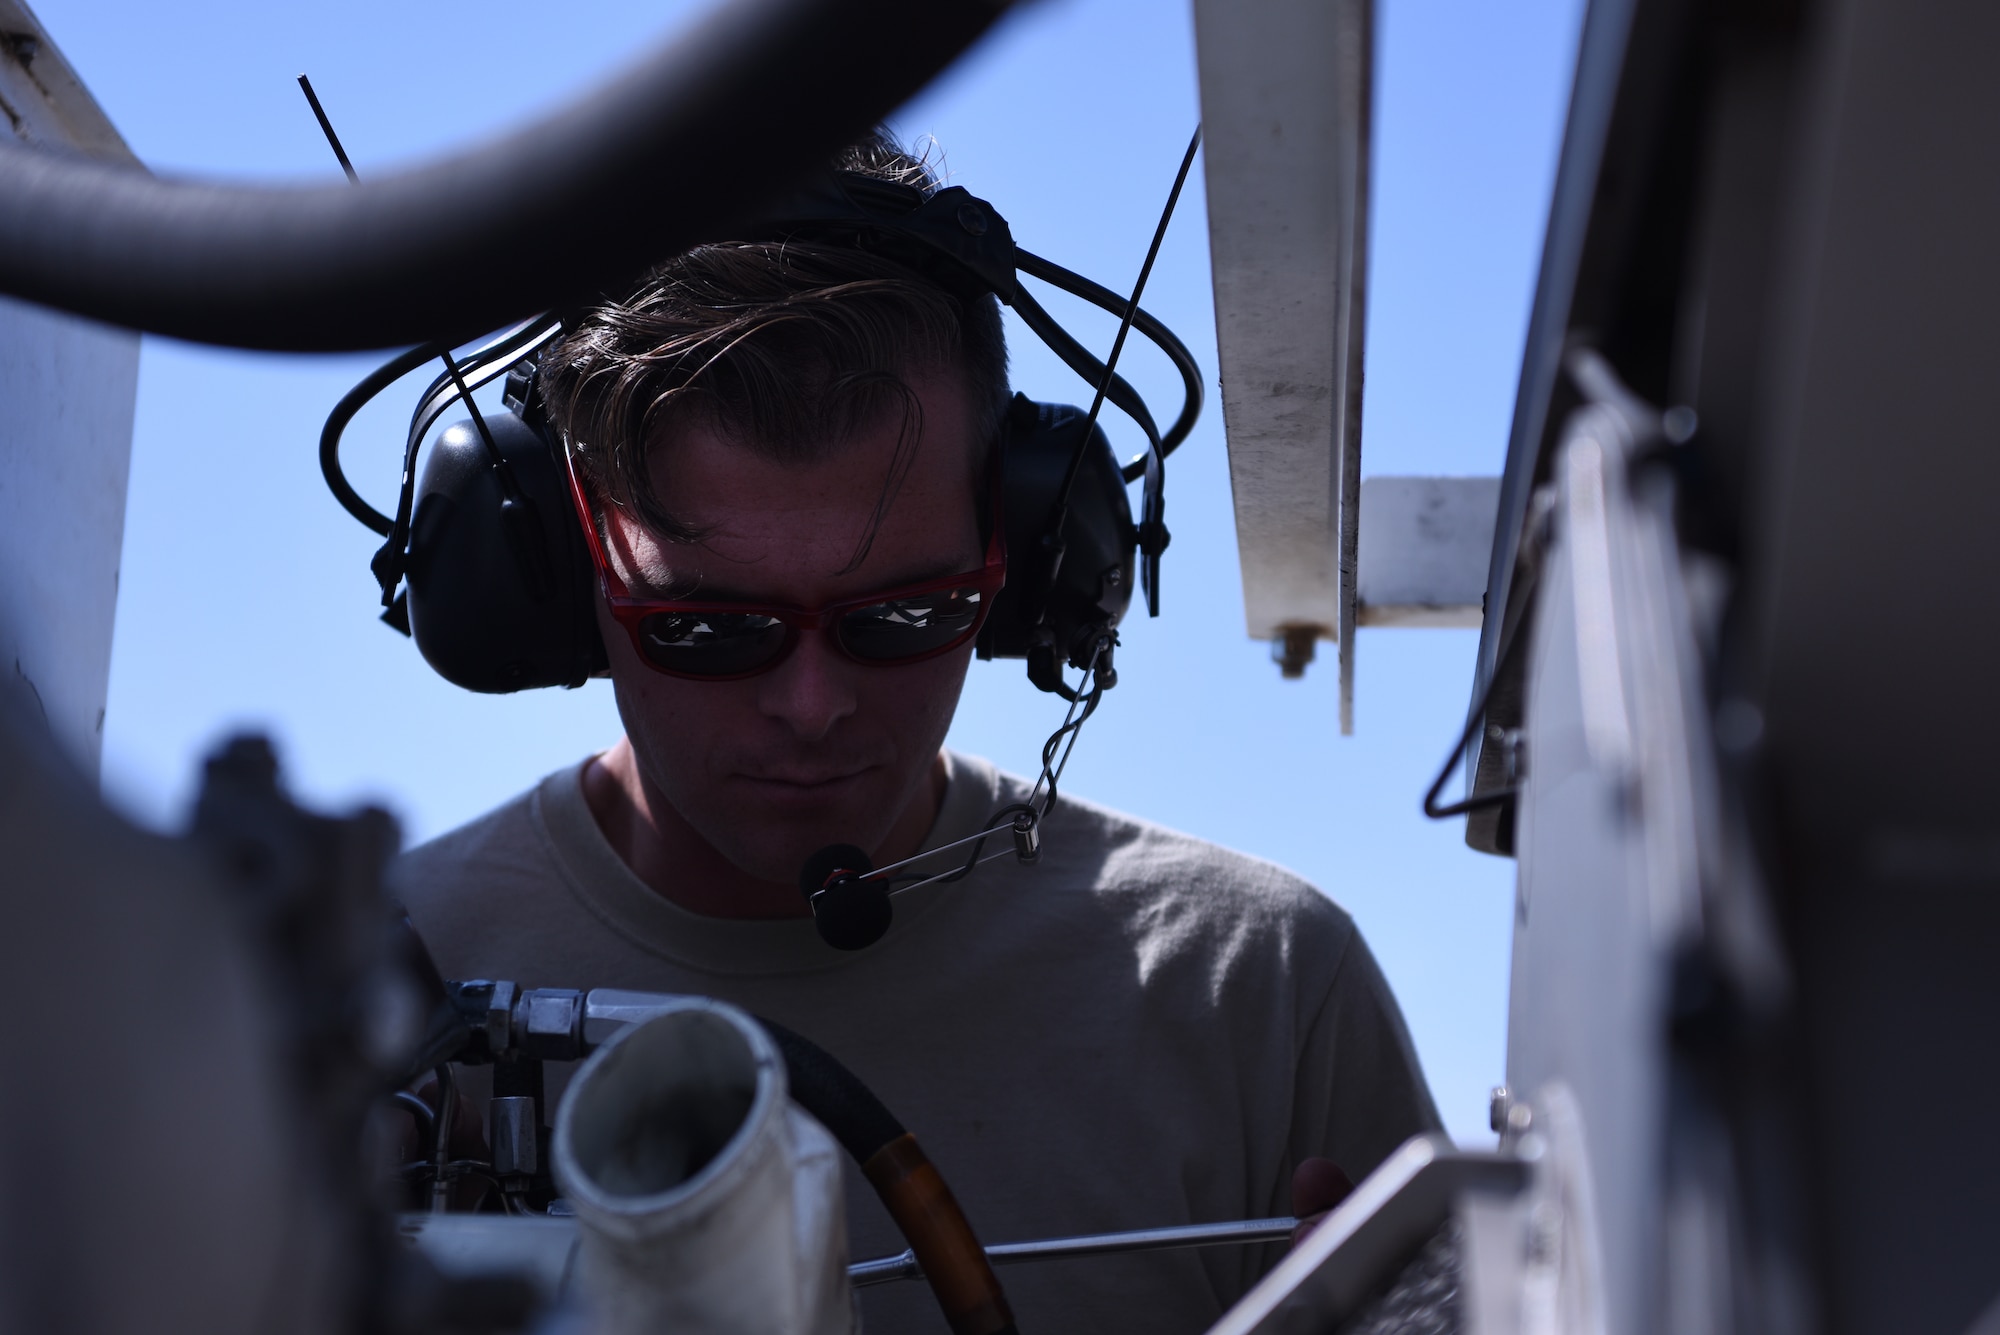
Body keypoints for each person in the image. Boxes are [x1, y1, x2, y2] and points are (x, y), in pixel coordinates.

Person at [394, 133, 1441, 1334]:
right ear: (550, 576)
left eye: (901, 615)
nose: (810, 704)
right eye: (706, 628)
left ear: (1031, 569)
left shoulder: (1258, 1002)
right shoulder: (343, 1005)